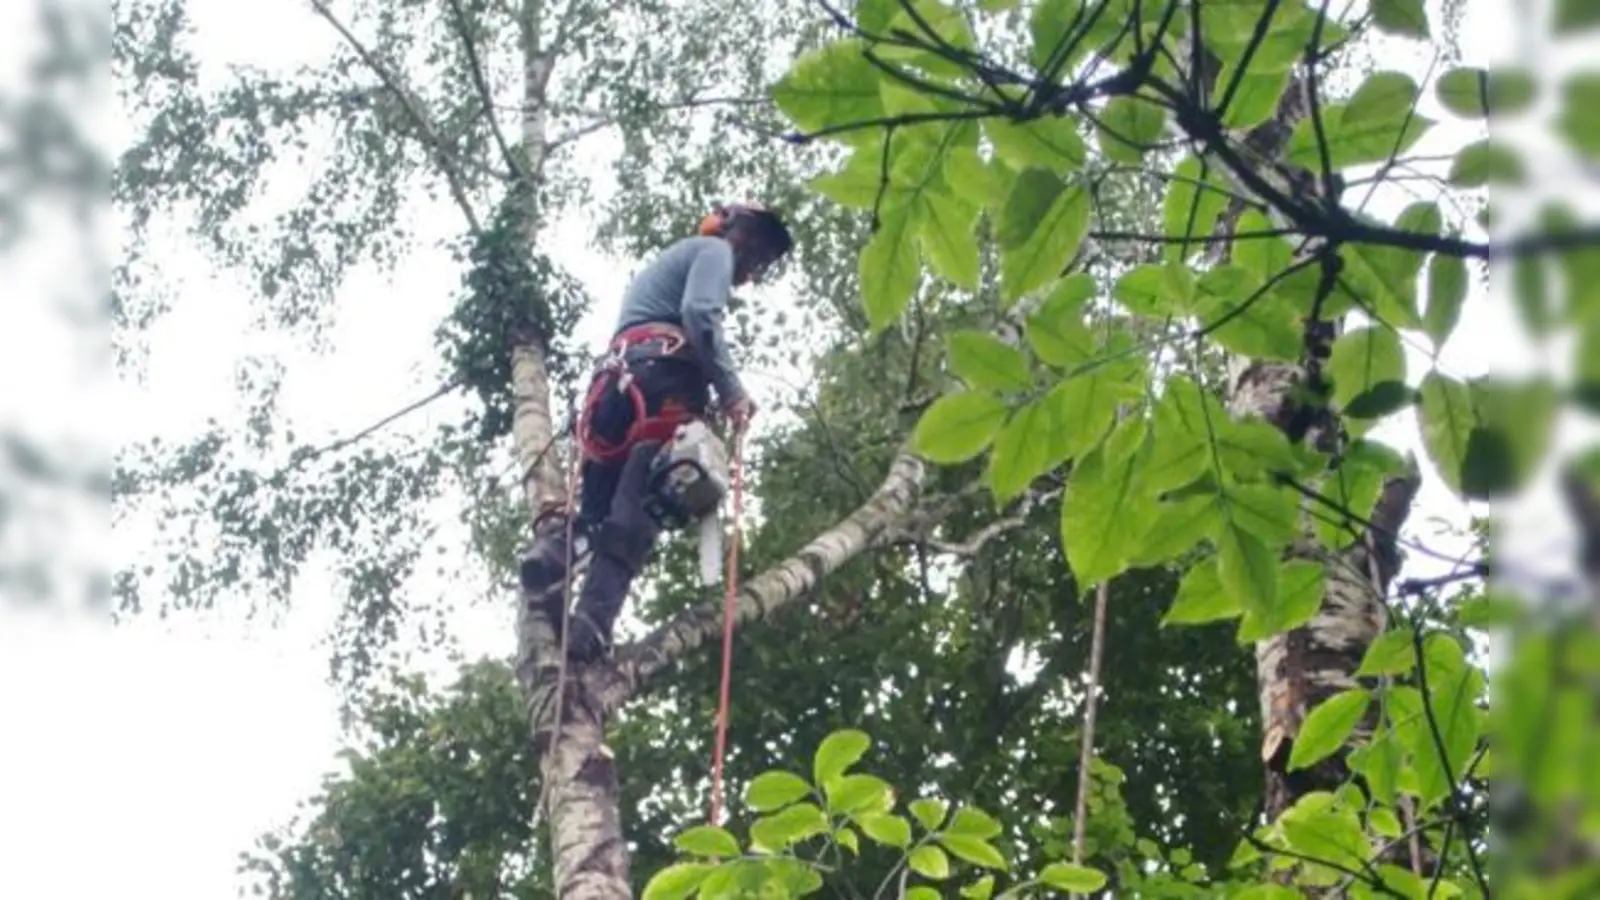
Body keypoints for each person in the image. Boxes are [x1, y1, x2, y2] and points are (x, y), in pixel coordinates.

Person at [519, 201, 794, 662]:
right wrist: (731, 392)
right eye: (759, 252)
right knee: (639, 510)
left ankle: (550, 558)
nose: (755, 265)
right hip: (664, 383)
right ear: (742, 235)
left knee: (595, 513)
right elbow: (700, 315)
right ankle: (590, 627)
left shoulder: (667, 264)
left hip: (615, 388)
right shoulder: (714, 253)